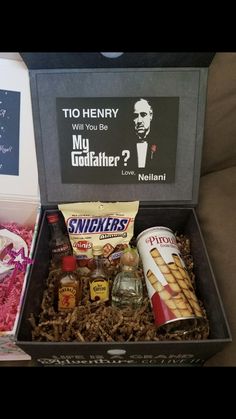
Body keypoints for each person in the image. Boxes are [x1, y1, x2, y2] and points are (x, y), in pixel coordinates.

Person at [132, 98, 157, 169]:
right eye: (136, 116)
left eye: (143, 115)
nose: (139, 120)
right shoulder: (124, 146)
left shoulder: (163, 145)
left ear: (151, 116)